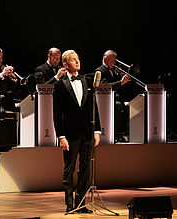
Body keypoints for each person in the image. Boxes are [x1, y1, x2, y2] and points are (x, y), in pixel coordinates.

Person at [53, 50, 101, 215]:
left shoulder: (87, 80)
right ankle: (69, 204)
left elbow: (93, 107)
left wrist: (97, 131)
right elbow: (57, 113)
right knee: (69, 169)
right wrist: (61, 136)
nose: (77, 62)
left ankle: (81, 203)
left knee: (86, 168)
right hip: (70, 134)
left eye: (78, 59)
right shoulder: (60, 84)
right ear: (65, 65)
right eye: (73, 60)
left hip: (87, 132)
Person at [94, 50, 130, 142]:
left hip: (114, 97)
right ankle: (115, 133)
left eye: (115, 60)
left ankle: (122, 132)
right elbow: (104, 85)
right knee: (117, 105)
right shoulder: (99, 70)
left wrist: (121, 75)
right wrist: (121, 82)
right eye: (113, 60)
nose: (115, 62)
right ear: (105, 59)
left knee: (127, 105)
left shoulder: (113, 70)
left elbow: (119, 85)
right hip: (104, 101)